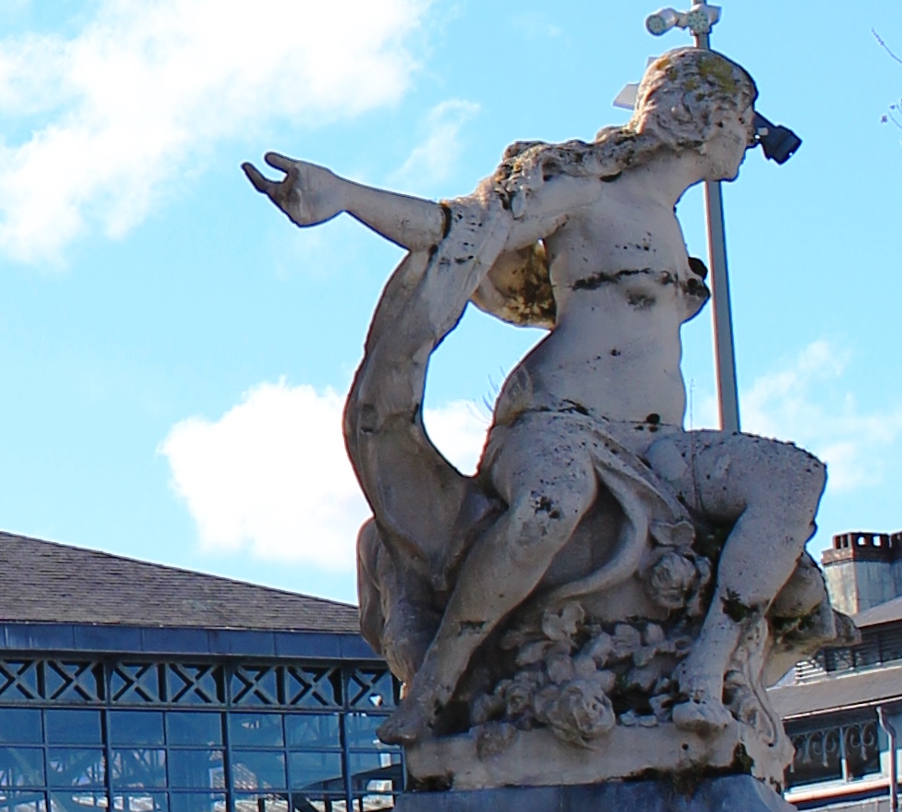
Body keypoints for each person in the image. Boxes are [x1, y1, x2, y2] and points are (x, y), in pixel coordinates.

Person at [244, 49, 822, 735]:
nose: (750, 140)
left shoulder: (668, 223)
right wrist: (344, 196)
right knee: (550, 507)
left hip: (656, 444)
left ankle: (705, 677)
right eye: (742, 120)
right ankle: (438, 679)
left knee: (794, 483)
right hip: (556, 420)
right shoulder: (585, 190)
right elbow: (459, 227)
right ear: (704, 117)